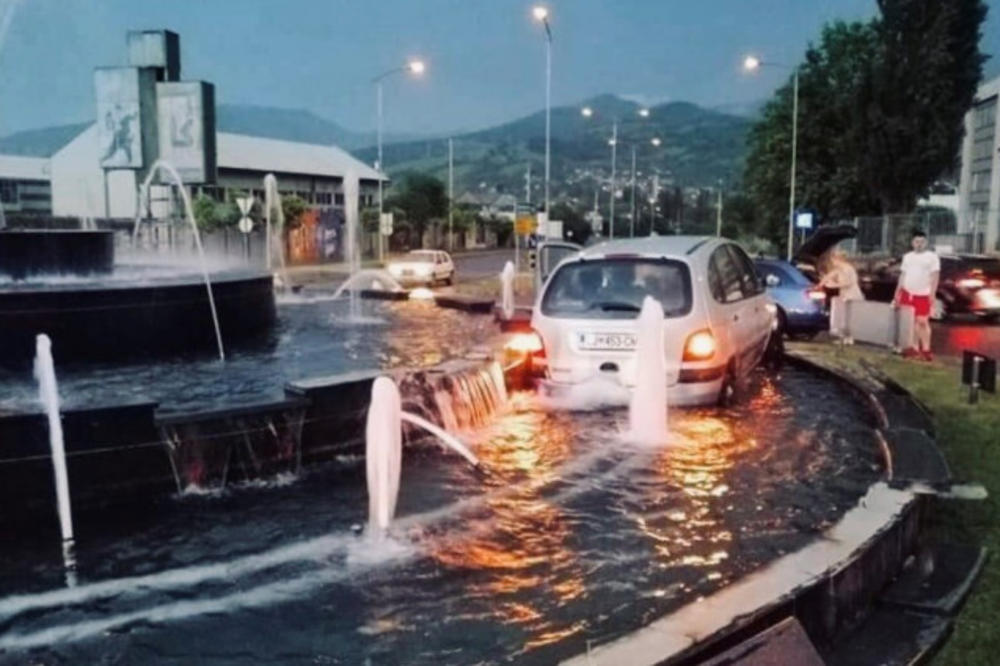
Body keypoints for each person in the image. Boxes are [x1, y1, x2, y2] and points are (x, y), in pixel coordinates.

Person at [893, 230, 940, 361]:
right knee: (911, 322)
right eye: (916, 241)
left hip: (923, 294)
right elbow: (903, 275)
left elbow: (935, 276)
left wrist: (932, 294)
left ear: (926, 243)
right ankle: (914, 348)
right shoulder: (908, 257)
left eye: (922, 242)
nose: (919, 244)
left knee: (922, 322)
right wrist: (898, 292)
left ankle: (926, 349)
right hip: (908, 293)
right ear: (912, 243)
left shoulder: (932, 257)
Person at [819, 247, 864, 344]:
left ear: (837, 259)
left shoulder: (848, 268)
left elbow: (849, 283)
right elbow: (828, 276)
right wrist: (820, 284)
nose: (832, 263)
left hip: (852, 296)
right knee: (844, 317)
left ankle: (850, 338)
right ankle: (844, 338)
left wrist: (834, 285)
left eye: (832, 260)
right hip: (844, 296)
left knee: (851, 318)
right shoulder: (838, 269)